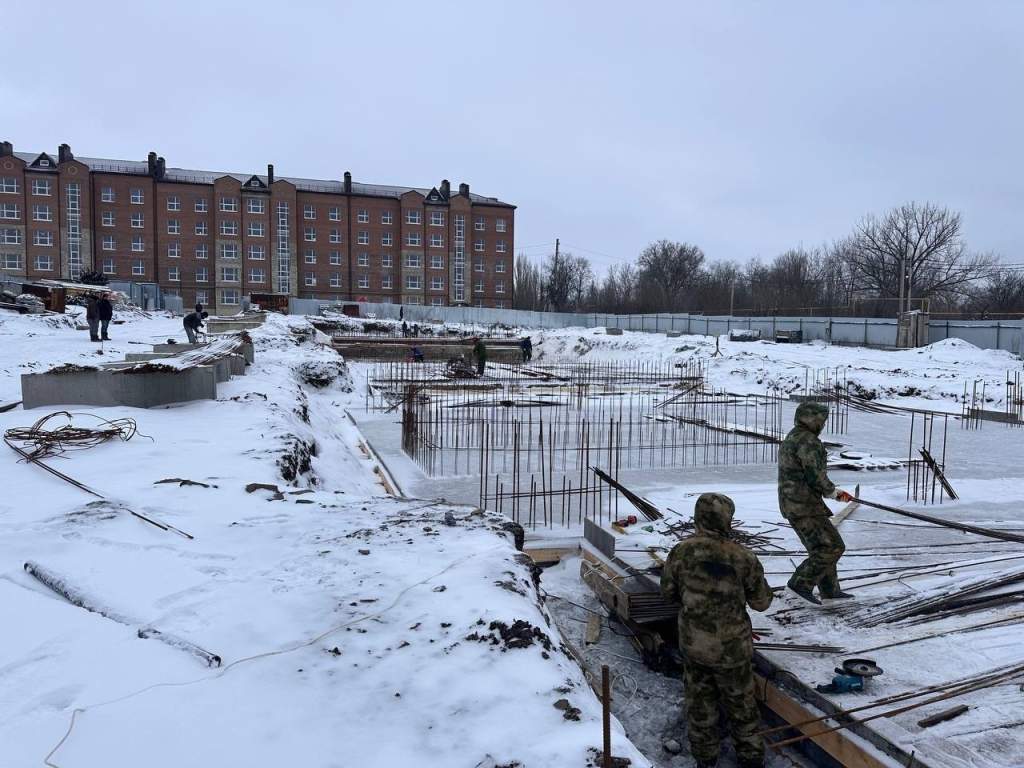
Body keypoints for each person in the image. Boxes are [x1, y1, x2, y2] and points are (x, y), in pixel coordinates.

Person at [661, 493, 773, 768]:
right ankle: (750, 760)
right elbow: (761, 602)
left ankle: (705, 759)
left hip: (694, 646)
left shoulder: (681, 552)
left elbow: (667, 593)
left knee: (700, 706)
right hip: (732, 650)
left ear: (698, 518)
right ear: (728, 520)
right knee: (742, 709)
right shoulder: (743, 557)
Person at [778, 402, 854, 605]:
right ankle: (799, 585)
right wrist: (834, 493)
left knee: (822, 547)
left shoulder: (793, 436)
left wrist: (832, 493)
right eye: (822, 419)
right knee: (831, 547)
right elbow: (816, 476)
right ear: (814, 419)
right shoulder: (808, 441)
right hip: (804, 505)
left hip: (793, 503)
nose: (823, 424)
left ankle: (830, 589)